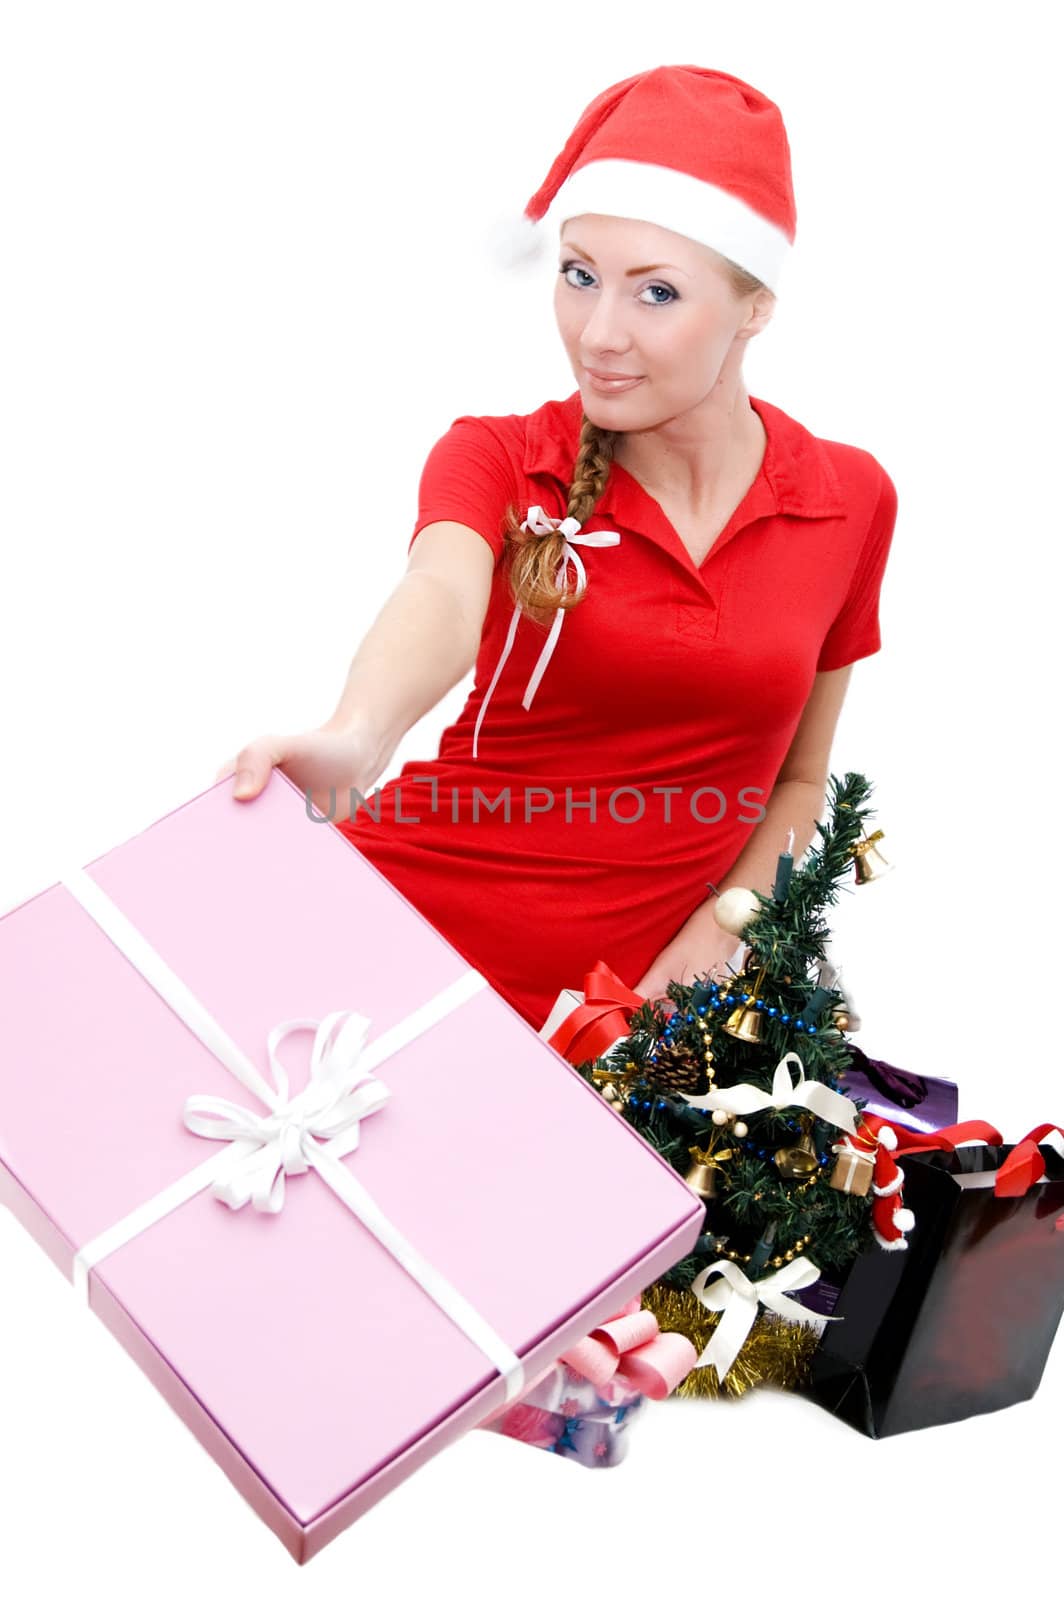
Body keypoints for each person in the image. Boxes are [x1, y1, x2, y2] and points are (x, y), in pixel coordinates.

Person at [215, 65, 898, 1034]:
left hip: (627, 1020)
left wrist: (715, 938)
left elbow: (796, 778)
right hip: (393, 942)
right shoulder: (498, 457)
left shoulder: (847, 500)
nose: (598, 334)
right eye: (577, 276)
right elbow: (442, 594)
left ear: (755, 309)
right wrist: (358, 734)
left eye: (654, 293)